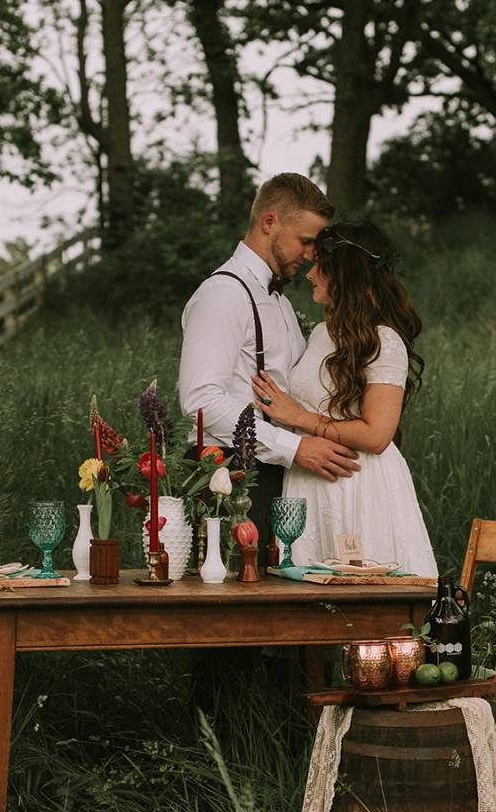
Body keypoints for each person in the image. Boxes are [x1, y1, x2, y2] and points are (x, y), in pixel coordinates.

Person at [178, 173, 361, 552]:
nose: (311, 254)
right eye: (305, 241)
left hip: (277, 472)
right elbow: (200, 399)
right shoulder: (223, 294)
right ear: (269, 222)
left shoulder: (279, 301)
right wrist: (294, 448)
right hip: (227, 476)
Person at [248, 219, 437, 578]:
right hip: (310, 480)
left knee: (361, 593)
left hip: (357, 485)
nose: (310, 273)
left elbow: (377, 435)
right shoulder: (322, 333)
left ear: (345, 273)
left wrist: (298, 418)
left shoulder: (384, 341)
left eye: (320, 265)